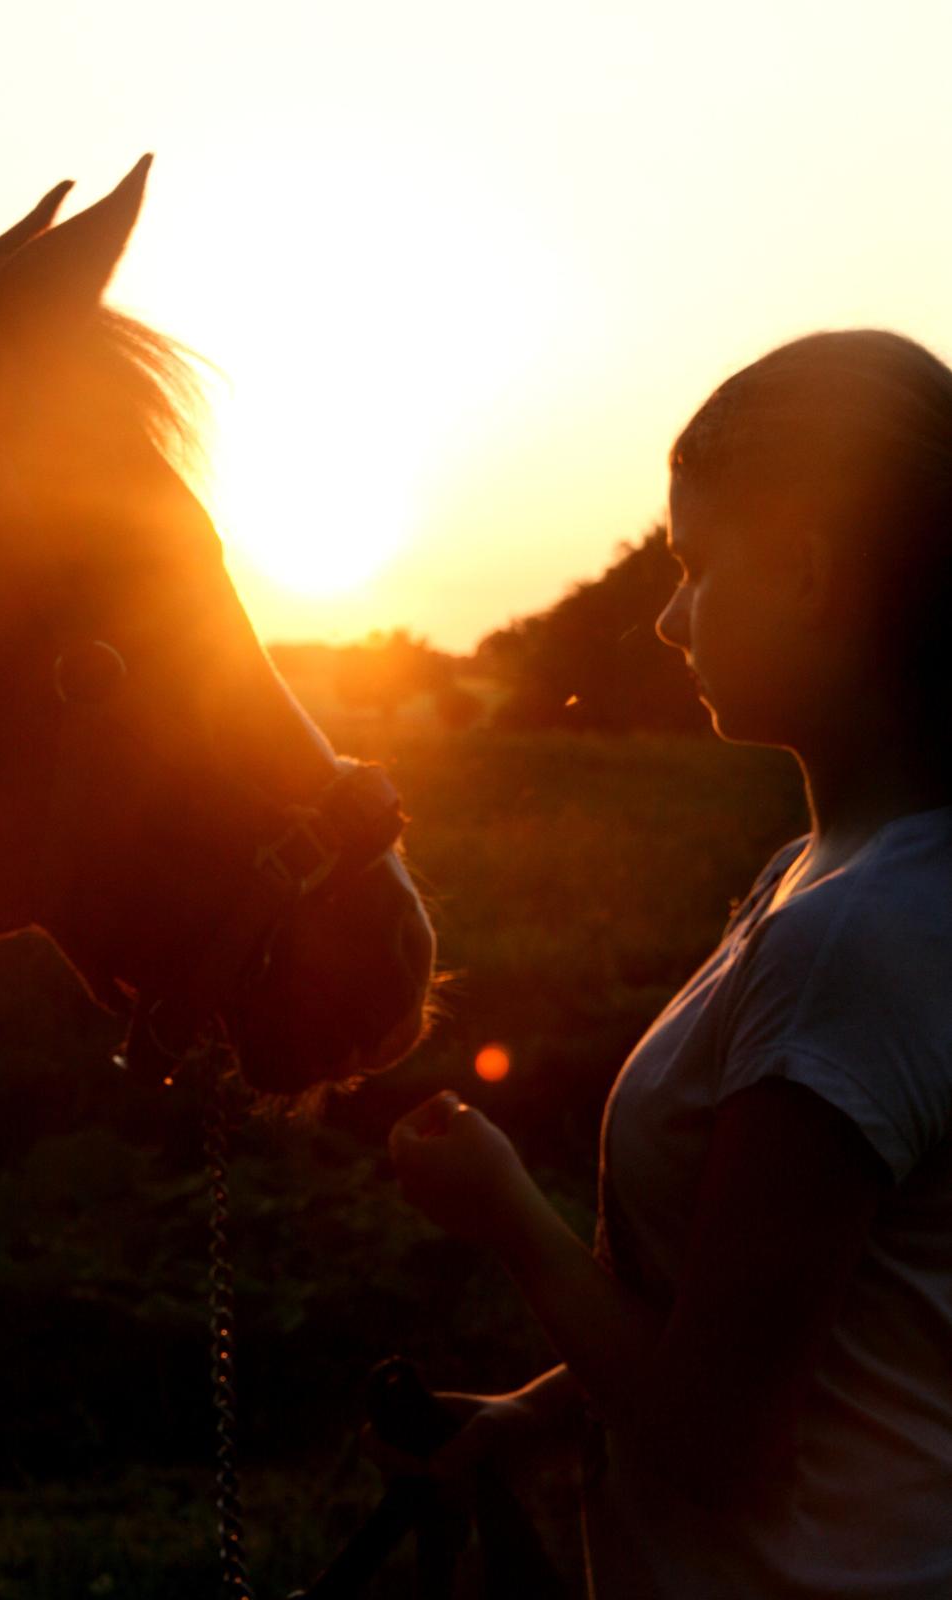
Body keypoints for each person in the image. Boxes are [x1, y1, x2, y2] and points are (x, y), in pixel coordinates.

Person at [389, 329, 952, 1598]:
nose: (665, 615)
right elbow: (789, 1316)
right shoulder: (814, 878)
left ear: (807, 569)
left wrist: (505, 1216)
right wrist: (539, 1411)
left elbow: (719, 1439)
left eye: (693, 566)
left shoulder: (851, 938)